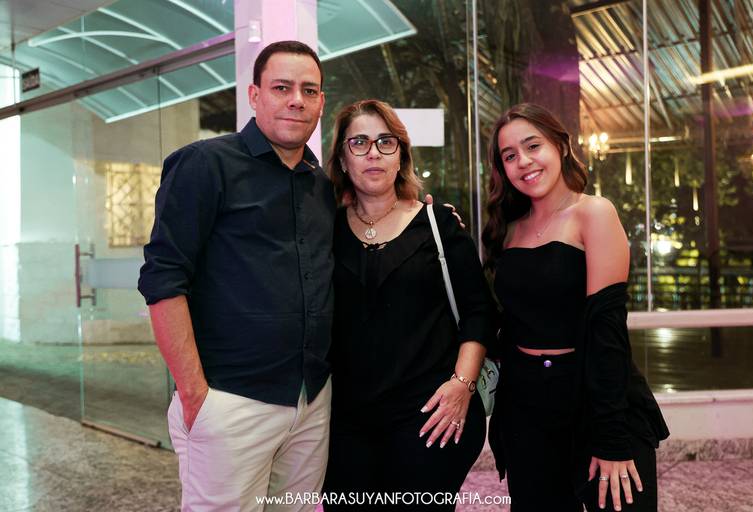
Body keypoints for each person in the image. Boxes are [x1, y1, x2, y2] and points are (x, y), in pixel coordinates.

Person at [138, 40, 334, 511]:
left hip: (310, 401)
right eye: (282, 87)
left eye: (309, 90)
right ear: (254, 95)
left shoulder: (322, 185)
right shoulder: (205, 164)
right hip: (230, 400)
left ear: (321, 102)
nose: (296, 100)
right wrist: (194, 395)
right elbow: (163, 280)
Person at [482, 103, 669, 512]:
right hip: (527, 409)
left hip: (594, 398)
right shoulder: (507, 229)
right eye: (509, 155)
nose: (523, 161)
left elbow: (607, 330)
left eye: (533, 146)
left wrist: (611, 437)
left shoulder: (593, 213)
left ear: (561, 146)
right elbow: (502, 322)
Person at [321, 99, 496, 510]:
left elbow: (479, 311)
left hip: (430, 414)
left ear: (401, 155)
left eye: (386, 142)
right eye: (359, 143)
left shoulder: (438, 225)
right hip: (345, 423)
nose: (373, 153)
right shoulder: (325, 230)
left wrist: (463, 385)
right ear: (343, 159)